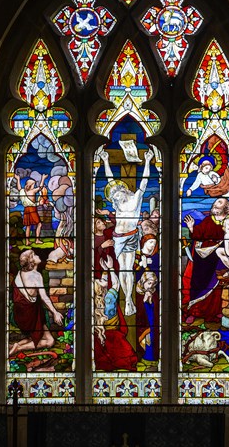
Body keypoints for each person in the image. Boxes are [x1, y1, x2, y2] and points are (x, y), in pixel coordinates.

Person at [99, 147, 154, 316]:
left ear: (124, 191)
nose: (114, 195)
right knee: (121, 268)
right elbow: (110, 180)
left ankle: (128, 299)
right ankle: (124, 297)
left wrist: (147, 161)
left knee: (127, 269)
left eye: (116, 193)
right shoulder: (117, 200)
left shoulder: (134, 199)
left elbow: (144, 182)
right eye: (113, 195)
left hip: (130, 237)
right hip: (117, 237)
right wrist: (106, 160)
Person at [182, 198, 229, 323]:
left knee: (216, 286)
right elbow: (198, 234)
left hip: (219, 259)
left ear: (226, 208)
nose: (215, 206)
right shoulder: (208, 220)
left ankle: (214, 312)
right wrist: (191, 228)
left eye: (219, 204)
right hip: (203, 259)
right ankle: (194, 311)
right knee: (197, 283)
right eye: (215, 204)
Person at [9, 249, 63, 356]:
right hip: (31, 315)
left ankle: (16, 344)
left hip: (20, 315)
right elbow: (44, 297)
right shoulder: (36, 275)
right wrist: (55, 312)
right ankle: (19, 348)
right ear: (31, 261)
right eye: (34, 255)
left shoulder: (19, 274)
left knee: (37, 336)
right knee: (50, 341)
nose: (38, 256)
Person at [94, 255, 137, 371]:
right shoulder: (109, 299)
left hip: (103, 336)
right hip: (115, 336)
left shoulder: (96, 301)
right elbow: (116, 285)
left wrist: (105, 270)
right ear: (101, 288)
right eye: (101, 281)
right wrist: (112, 268)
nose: (104, 279)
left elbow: (105, 282)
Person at [14, 172, 48, 245]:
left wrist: (18, 179)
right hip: (32, 209)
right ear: (31, 185)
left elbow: (19, 187)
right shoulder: (32, 191)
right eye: (34, 185)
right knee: (39, 224)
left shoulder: (22, 191)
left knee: (28, 226)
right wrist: (43, 179)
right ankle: (37, 240)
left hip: (26, 210)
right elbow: (40, 188)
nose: (35, 186)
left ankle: (27, 241)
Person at [136, 271, 159, 367]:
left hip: (153, 323)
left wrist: (150, 301)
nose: (151, 286)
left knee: (153, 339)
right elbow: (138, 313)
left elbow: (157, 310)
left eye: (153, 284)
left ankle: (153, 359)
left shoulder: (155, 294)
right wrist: (144, 301)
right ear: (143, 281)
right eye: (149, 283)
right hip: (142, 326)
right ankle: (146, 358)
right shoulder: (137, 294)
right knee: (147, 340)